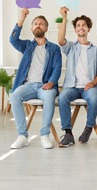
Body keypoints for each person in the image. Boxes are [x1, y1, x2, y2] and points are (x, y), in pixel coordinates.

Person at [10, 8, 62, 149]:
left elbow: (57, 68)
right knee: (14, 96)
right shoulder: (26, 45)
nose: (38, 25)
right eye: (35, 24)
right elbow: (13, 39)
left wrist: (51, 83)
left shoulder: (54, 48)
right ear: (32, 28)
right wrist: (22, 17)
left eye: (41, 24)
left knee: (49, 97)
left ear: (46, 28)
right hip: (28, 86)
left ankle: (45, 135)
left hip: (46, 85)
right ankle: (22, 136)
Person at [57, 7, 97, 147]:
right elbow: (60, 40)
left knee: (94, 98)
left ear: (88, 29)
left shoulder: (96, 50)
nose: (81, 27)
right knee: (62, 97)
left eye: (84, 25)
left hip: (89, 87)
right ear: (76, 29)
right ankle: (68, 133)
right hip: (72, 87)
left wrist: (93, 83)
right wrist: (64, 18)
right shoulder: (71, 47)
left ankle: (88, 128)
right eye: (78, 25)